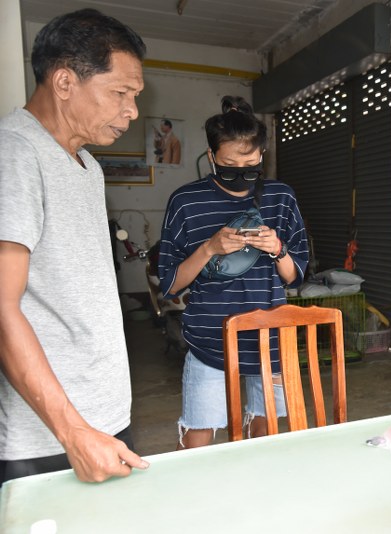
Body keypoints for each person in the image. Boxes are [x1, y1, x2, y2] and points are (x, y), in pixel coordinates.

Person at [0, 9, 150, 485]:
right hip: (51, 436)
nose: (132, 111)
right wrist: (72, 432)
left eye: (135, 96)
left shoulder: (88, 165)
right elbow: (2, 306)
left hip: (105, 414)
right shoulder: (15, 153)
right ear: (64, 81)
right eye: (121, 93)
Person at [158, 96, 309, 449]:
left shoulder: (281, 198)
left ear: (262, 155)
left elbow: (294, 276)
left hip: (268, 337)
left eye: (250, 164)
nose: (241, 173)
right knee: (198, 440)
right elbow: (170, 283)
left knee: (266, 436)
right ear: (211, 157)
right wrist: (209, 249)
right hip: (209, 338)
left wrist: (277, 248)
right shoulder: (186, 202)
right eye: (228, 165)